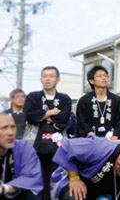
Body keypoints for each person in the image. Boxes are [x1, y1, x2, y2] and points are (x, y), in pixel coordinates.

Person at [49, 136, 120, 200]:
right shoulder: (98, 147)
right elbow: (66, 146)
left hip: (108, 190)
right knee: (74, 196)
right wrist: (74, 178)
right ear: (118, 163)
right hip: (78, 177)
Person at [24, 66, 72, 200]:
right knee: (35, 183)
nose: (47, 78)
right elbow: (28, 115)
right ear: (40, 79)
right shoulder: (33, 96)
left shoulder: (64, 99)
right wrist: (50, 113)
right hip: (35, 146)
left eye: (51, 76)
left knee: (55, 182)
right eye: (45, 76)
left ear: (58, 79)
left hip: (56, 148)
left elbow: (63, 119)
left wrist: (40, 116)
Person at [76, 65, 120, 140]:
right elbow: (82, 122)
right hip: (91, 140)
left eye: (105, 75)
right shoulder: (84, 100)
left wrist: (115, 137)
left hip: (113, 141)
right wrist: (91, 135)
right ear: (92, 81)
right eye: (99, 76)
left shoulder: (117, 100)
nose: (104, 78)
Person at [0, 113, 43, 200]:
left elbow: (32, 176)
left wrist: (4, 188)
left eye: (13, 127)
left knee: (33, 195)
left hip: (16, 194)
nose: (10, 133)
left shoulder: (23, 147)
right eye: (4, 128)